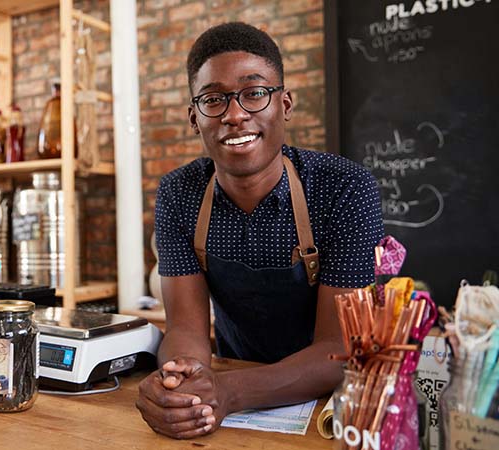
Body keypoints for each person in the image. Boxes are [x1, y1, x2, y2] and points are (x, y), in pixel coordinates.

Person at [136, 22, 385, 439]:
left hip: (331, 409)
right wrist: (181, 382)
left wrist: (227, 391)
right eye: (213, 99)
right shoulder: (179, 193)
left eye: (254, 93)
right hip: (229, 405)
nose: (235, 115)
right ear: (194, 118)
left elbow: (338, 350)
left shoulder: (345, 189)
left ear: (284, 104)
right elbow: (185, 329)